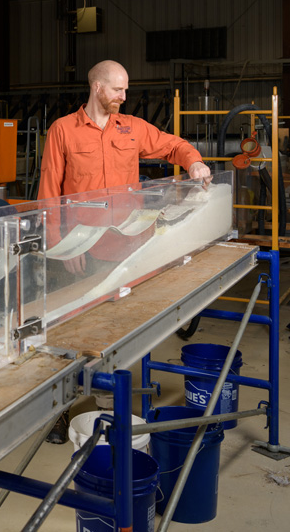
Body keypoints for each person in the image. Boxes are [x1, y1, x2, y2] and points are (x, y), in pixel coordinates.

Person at [38, 60, 211, 444]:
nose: (124, 96)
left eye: (126, 90)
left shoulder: (131, 128)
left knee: (121, 330)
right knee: (75, 330)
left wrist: (194, 162)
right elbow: (49, 190)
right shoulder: (63, 130)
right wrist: (60, 243)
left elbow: (173, 145)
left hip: (129, 246)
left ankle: (105, 403)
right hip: (84, 248)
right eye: (118, 89)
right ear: (98, 87)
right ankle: (60, 411)